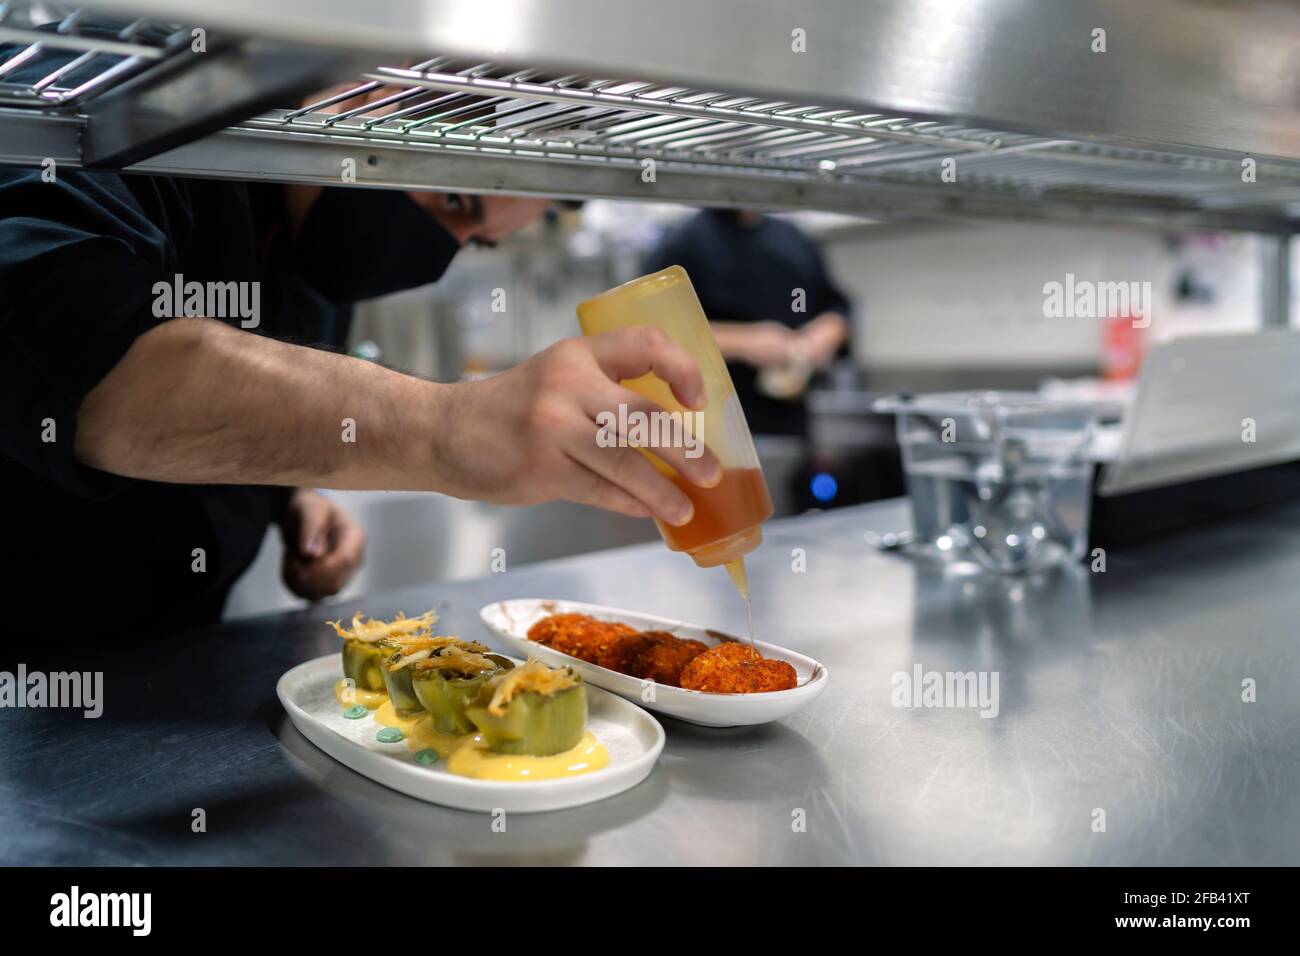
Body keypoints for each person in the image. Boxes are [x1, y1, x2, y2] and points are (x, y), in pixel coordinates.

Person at [1, 61, 720, 630]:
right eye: (454, 205)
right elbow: (91, 363)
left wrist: (292, 497)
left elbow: (256, 404)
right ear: (364, 93)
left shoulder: (319, 262)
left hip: (179, 659)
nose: (443, 250)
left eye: (478, 241)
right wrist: (446, 427)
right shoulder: (122, 122)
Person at [644, 208, 852, 438]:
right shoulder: (684, 241)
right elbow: (654, 330)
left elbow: (837, 308)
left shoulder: (794, 238)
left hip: (790, 422)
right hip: (712, 422)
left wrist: (823, 336)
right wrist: (746, 342)